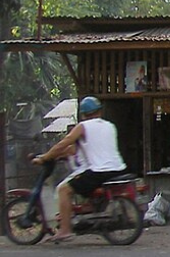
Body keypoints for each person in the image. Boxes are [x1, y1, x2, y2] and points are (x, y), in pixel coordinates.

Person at [32, 96, 127, 243]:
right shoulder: (110, 126)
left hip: (98, 172)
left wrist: (45, 157)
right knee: (81, 184)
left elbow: (64, 143)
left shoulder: (83, 127)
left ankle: (65, 230)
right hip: (118, 168)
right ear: (99, 112)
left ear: (83, 114)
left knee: (64, 190)